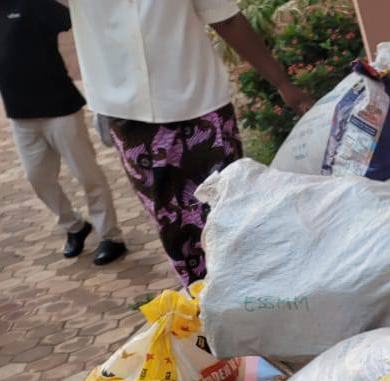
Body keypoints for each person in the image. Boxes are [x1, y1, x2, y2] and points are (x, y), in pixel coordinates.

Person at [63, 0, 315, 286]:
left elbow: (226, 18)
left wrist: (283, 84)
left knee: (232, 213)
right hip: (131, 118)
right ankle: (206, 302)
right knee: (175, 228)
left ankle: (262, 293)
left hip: (201, 106)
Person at [0, 0, 126, 264]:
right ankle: (74, 226)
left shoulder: (33, 4)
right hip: (20, 114)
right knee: (37, 178)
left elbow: (69, 20)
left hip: (60, 109)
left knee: (87, 174)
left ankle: (111, 236)